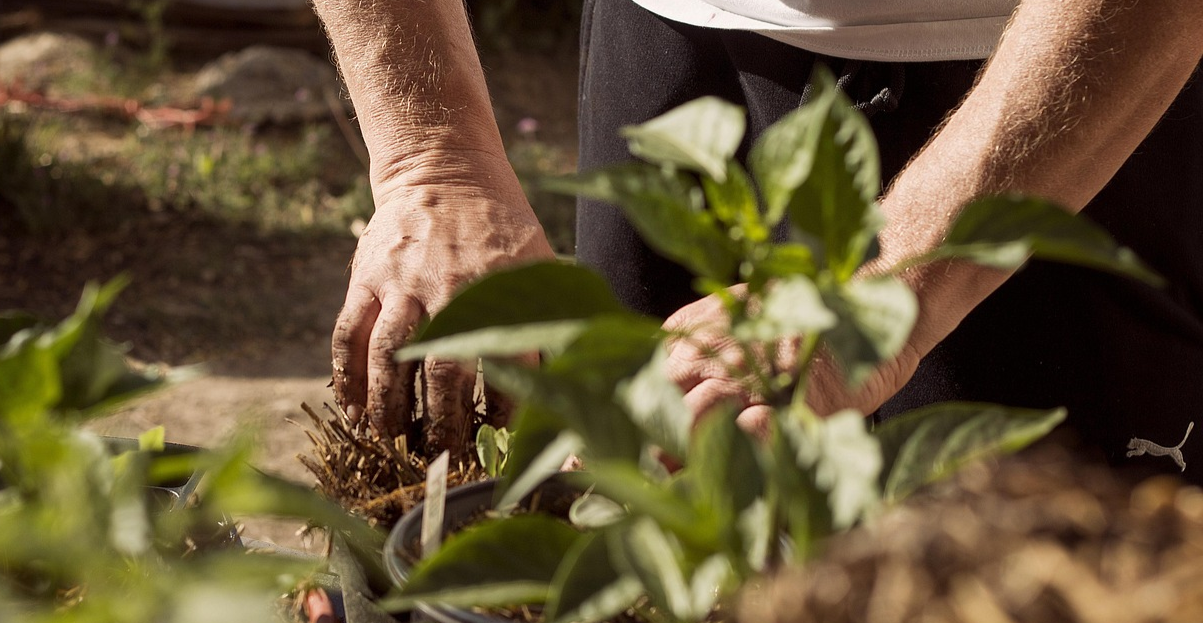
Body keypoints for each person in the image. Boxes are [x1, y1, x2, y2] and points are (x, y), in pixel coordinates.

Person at [310, 0, 1203, 481]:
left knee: (1015, 613)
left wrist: (882, 282)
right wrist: (434, 158)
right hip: (661, 53)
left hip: (1057, 94)